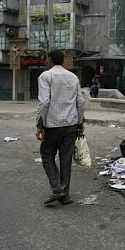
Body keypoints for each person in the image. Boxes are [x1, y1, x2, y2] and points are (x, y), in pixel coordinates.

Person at [36, 50, 85, 206]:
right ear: (63, 61)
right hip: (71, 123)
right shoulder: (73, 77)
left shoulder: (45, 76)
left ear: (49, 59)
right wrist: (80, 121)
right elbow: (81, 102)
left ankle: (58, 189)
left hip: (53, 123)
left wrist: (39, 124)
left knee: (47, 153)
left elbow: (44, 102)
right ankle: (65, 196)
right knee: (66, 159)